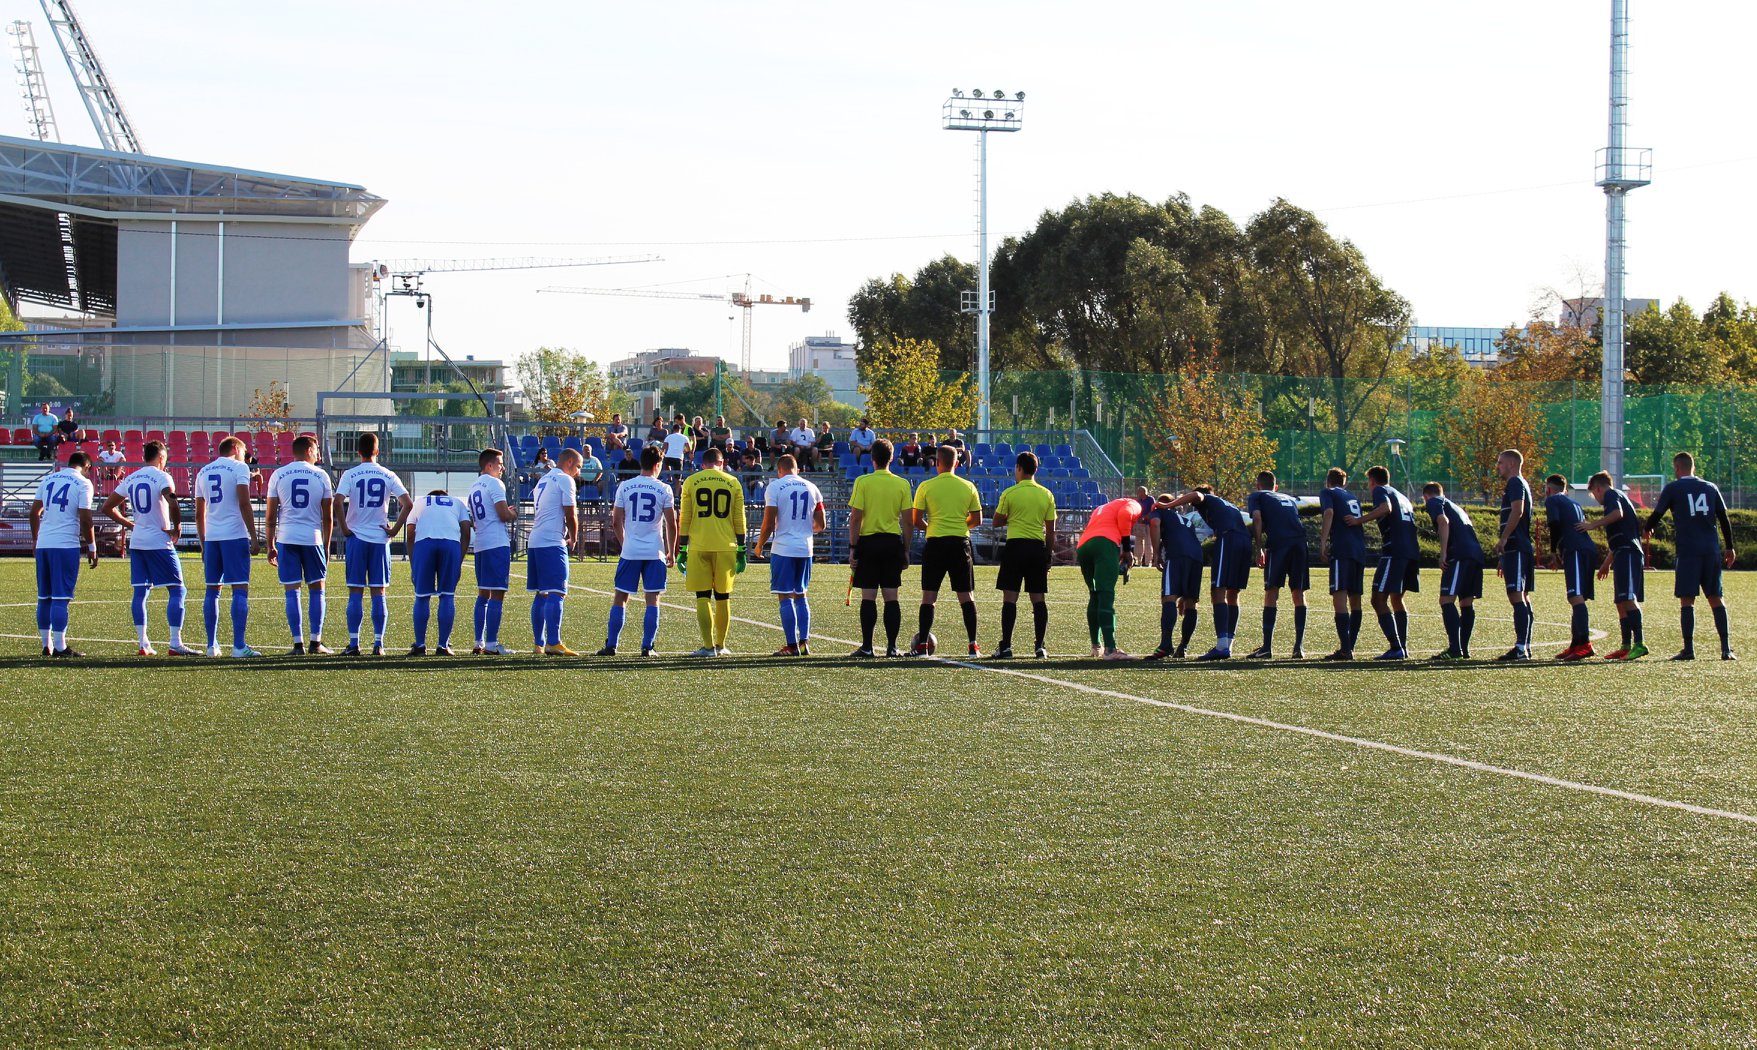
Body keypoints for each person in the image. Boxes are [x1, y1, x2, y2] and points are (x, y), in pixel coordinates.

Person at [103, 440, 194, 656]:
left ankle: (143, 644)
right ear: (161, 458)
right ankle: (175, 643)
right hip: (158, 541)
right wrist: (177, 527)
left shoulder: (131, 477)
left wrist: (130, 525)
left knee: (140, 592)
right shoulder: (162, 477)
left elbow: (107, 507)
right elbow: (173, 501)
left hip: (138, 541)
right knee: (177, 589)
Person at [1643, 451, 1737, 661]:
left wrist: (1647, 528)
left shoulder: (1673, 488)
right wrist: (1729, 547)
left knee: (1687, 599)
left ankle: (1688, 649)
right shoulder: (1710, 487)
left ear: (1677, 468)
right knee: (1716, 597)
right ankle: (1726, 649)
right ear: (1693, 467)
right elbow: (1723, 518)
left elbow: (1657, 514)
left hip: (1688, 551)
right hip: (1711, 550)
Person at [334, 433, 412, 657]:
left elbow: (337, 501)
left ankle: (354, 644)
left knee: (355, 592)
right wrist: (395, 530)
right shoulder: (388, 474)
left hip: (356, 538)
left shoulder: (350, 474)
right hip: (379, 539)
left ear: (358, 452)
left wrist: (344, 527)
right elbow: (407, 504)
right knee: (379, 592)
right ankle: (378, 644)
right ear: (377, 451)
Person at [600, 444, 676, 657]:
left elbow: (616, 521)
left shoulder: (625, 486)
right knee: (653, 599)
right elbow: (671, 524)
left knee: (620, 597)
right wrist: (671, 551)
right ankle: (647, 646)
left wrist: (625, 543)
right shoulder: (664, 489)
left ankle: (611, 645)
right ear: (658, 464)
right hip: (655, 552)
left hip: (630, 551)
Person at [264, 434, 336, 655]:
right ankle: (316, 642)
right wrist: (326, 545)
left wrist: (270, 544)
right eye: (316, 450)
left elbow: (270, 515)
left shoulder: (278, 474)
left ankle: (298, 644)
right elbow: (328, 517)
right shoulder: (321, 475)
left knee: (292, 591)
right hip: (312, 539)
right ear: (308, 450)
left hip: (286, 538)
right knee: (317, 589)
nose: (318, 454)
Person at [911, 444, 984, 658]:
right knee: (966, 596)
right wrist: (959, 525)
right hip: (960, 544)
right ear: (957, 463)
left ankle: (922, 646)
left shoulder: (926, 486)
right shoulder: (968, 486)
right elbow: (977, 519)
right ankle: (973, 646)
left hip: (935, 544)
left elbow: (916, 520)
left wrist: (933, 527)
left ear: (937, 463)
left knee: (929, 596)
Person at [1164, 485, 1251, 660]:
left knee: (1218, 590)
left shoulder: (1207, 499)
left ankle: (1221, 647)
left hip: (1228, 538)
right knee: (1233, 593)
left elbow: (1197, 495)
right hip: (1245, 541)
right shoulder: (1228, 505)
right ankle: (1227, 645)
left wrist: (1167, 505)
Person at [847, 438, 915, 658]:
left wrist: (853, 547)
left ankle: (867, 646)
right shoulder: (902, 484)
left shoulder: (863, 482)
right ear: (891, 458)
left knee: (868, 596)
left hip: (868, 543)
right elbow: (908, 521)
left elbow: (855, 518)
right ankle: (892, 647)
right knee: (891, 596)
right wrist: (906, 549)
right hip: (892, 543)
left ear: (872, 458)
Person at [195, 436, 261, 658]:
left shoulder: (203, 471)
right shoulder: (239, 467)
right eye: (243, 451)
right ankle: (239, 646)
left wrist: (203, 544)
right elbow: (244, 503)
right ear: (235, 448)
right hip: (234, 535)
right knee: (239, 588)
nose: (245, 456)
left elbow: (199, 514)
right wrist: (254, 536)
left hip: (212, 538)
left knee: (212, 590)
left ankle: (211, 645)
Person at [677, 446, 747, 656]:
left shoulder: (691, 481)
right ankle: (721, 645)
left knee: (703, 596)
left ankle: (708, 647)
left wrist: (682, 547)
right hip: (726, 546)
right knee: (723, 596)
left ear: (703, 465)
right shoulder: (733, 482)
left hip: (699, 546)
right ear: (722, 463)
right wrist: (742, 548)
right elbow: (739, 519)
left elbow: (685, 518)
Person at [755, 453, 826, 656]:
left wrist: (759, 545)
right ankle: (804, 642)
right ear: (797, 469)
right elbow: (821, 525)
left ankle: (791, 645)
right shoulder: (812, 488)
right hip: (805, 548)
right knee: (801, 595)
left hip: (784, 548)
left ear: (780, 470)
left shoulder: (775, 487)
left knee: (784, 595)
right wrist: (804, 530)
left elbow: (769, 522)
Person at [990, 450, 1056, 659]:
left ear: (1018, 468)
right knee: (1038, 598)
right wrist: (1048, 555)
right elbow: (1051, 530)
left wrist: (1012, 517)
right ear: (1035, 470)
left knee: (1010, 598)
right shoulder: (1046, 494)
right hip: (1037, 548)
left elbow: (996, 521)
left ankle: (1006, 646)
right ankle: (1040, 647)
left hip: (1015, 547)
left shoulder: (1010, 493)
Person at [30, 450, 97, 657]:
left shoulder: (48, 479)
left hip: (44, 544)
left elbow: (34, 512)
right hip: (65, 545)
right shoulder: (84, 483)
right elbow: (85, 518)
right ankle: (60, 646)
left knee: (44, 596)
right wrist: (92, 546)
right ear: (86, 466)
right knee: (60, 597)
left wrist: (35, 539)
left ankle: (46, 645)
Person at [1350, 465, 1419, 661]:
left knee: (1378, 599)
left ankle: (1396, 647)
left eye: (1368, 482)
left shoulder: (1380, 490)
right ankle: (1402, 647)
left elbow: (1385, 508)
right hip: (1411, 551)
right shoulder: (1402, 496)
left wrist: (1358, 520)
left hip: (1394, 551)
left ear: (1372, 481)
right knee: (1396, 598)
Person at [1074, 493, 1153, 660]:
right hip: (1104, 543)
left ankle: (1096, 645)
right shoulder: (1133, 504)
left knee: (1094, 594)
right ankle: (1110, 648)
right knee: (1105, 594)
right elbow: (1125, 515)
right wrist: (1127, 550)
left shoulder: (1103, 507)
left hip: (1084, 545)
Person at [1578, 470, 1647, 660]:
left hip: (1628, 552)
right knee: (1620, 601)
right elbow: (1618, 537)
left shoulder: (1611, 495)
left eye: (1594, 494)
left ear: (1598, 489)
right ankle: (1626, 645)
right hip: (1622, 552)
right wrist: (1606, 564)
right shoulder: (1616, 496)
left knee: (1628, 598)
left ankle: (1639, 643)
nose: (1595, 498)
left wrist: (1592, 524)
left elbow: (1618, 514)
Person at [1244, 471, 1309, 659]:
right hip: (1300, 543)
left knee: (1271, 591)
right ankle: (1298, 647)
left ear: (1258, 485)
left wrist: (1259, 548)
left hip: (1280, 543)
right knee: (1298, 592)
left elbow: (1257, 518)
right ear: (1276, 486)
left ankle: (1267, 647)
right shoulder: (1288, 498)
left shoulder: (1257, 496)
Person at [527, 447, 582, 655]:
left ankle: (539, 643)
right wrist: (574, 537)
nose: (578, 472)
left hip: (535, 540)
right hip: (551, 541)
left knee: (542, 593)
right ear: (569, 462)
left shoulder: (543, 479)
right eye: (578, 466)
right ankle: (553, 641)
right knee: (557, 592)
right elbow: (570, 512)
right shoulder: (564, 479)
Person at [1421, 482, 1484, 660]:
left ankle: (1455, 649)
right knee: (1466, 602)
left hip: (1459, 554)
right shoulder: (1456, 507)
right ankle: (1463, 649)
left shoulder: (1434, 501)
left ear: (1426, 496)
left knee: (1446, 599)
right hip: (1475, 554)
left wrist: (1443, 553)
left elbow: (1443, 521)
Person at [466, 448, 519, 655]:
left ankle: (478, 641)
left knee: (483, 594)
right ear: (489, 465)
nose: (503, 467)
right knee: (497, 593)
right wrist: (512, 513)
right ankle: (491, 644)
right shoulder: (495, 483)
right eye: (500, 464)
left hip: (480, 544)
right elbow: (503, 514)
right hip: (496, 543)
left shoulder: (473, 486)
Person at [406, 489, 471, 656]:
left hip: (424, 544)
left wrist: (414, 564)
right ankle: (443, 645)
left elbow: (410, 532)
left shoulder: (420, 502)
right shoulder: (457, 502)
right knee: (447, 596)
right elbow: (466, 531)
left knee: (422, 596)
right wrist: (458, 561)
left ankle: (420, 645)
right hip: (450, 544)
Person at [1488, 449, 1537, 661]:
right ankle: (1525, 646)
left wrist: (1504, 538)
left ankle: (1521, 648)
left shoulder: (1515, 482)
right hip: (1518, 548)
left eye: (1500, 463)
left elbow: (1518, 510)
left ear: (1510, 464)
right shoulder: (1520, 483)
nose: (1497, 467)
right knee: (1522, 596)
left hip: (1516, 546)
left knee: (1517, 595)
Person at [1544, 474, 1599, 661]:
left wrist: (1553, 551)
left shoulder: (1552, 500)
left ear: (1549, 489)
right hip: (1586, 549)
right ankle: (1576, 644)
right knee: (1578, 597)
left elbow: (1555, 525)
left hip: (1575, 549)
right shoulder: (1574, 502)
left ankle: (1585, 644)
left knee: (1575, 596)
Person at [1146, 489, 1204, 660]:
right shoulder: (1186, 520)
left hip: (1177, 555)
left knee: (1169, 598)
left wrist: (1156, 554)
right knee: (1191, 602)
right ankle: (1183, 647)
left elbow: (1154, 523)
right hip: (1197, 557)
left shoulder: (1159, 512)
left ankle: (1166, 645)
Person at [1317, 468, 1367, 661]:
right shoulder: (1352, 497)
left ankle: (1346, 650)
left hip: (1342, 549)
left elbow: (1329, 512)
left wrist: (1323, 541)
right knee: (1355, 599)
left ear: (1328, 481)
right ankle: (1349, 646)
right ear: (1344, 482)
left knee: (1339, 595)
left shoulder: (1327, 492)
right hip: (1358, 549)